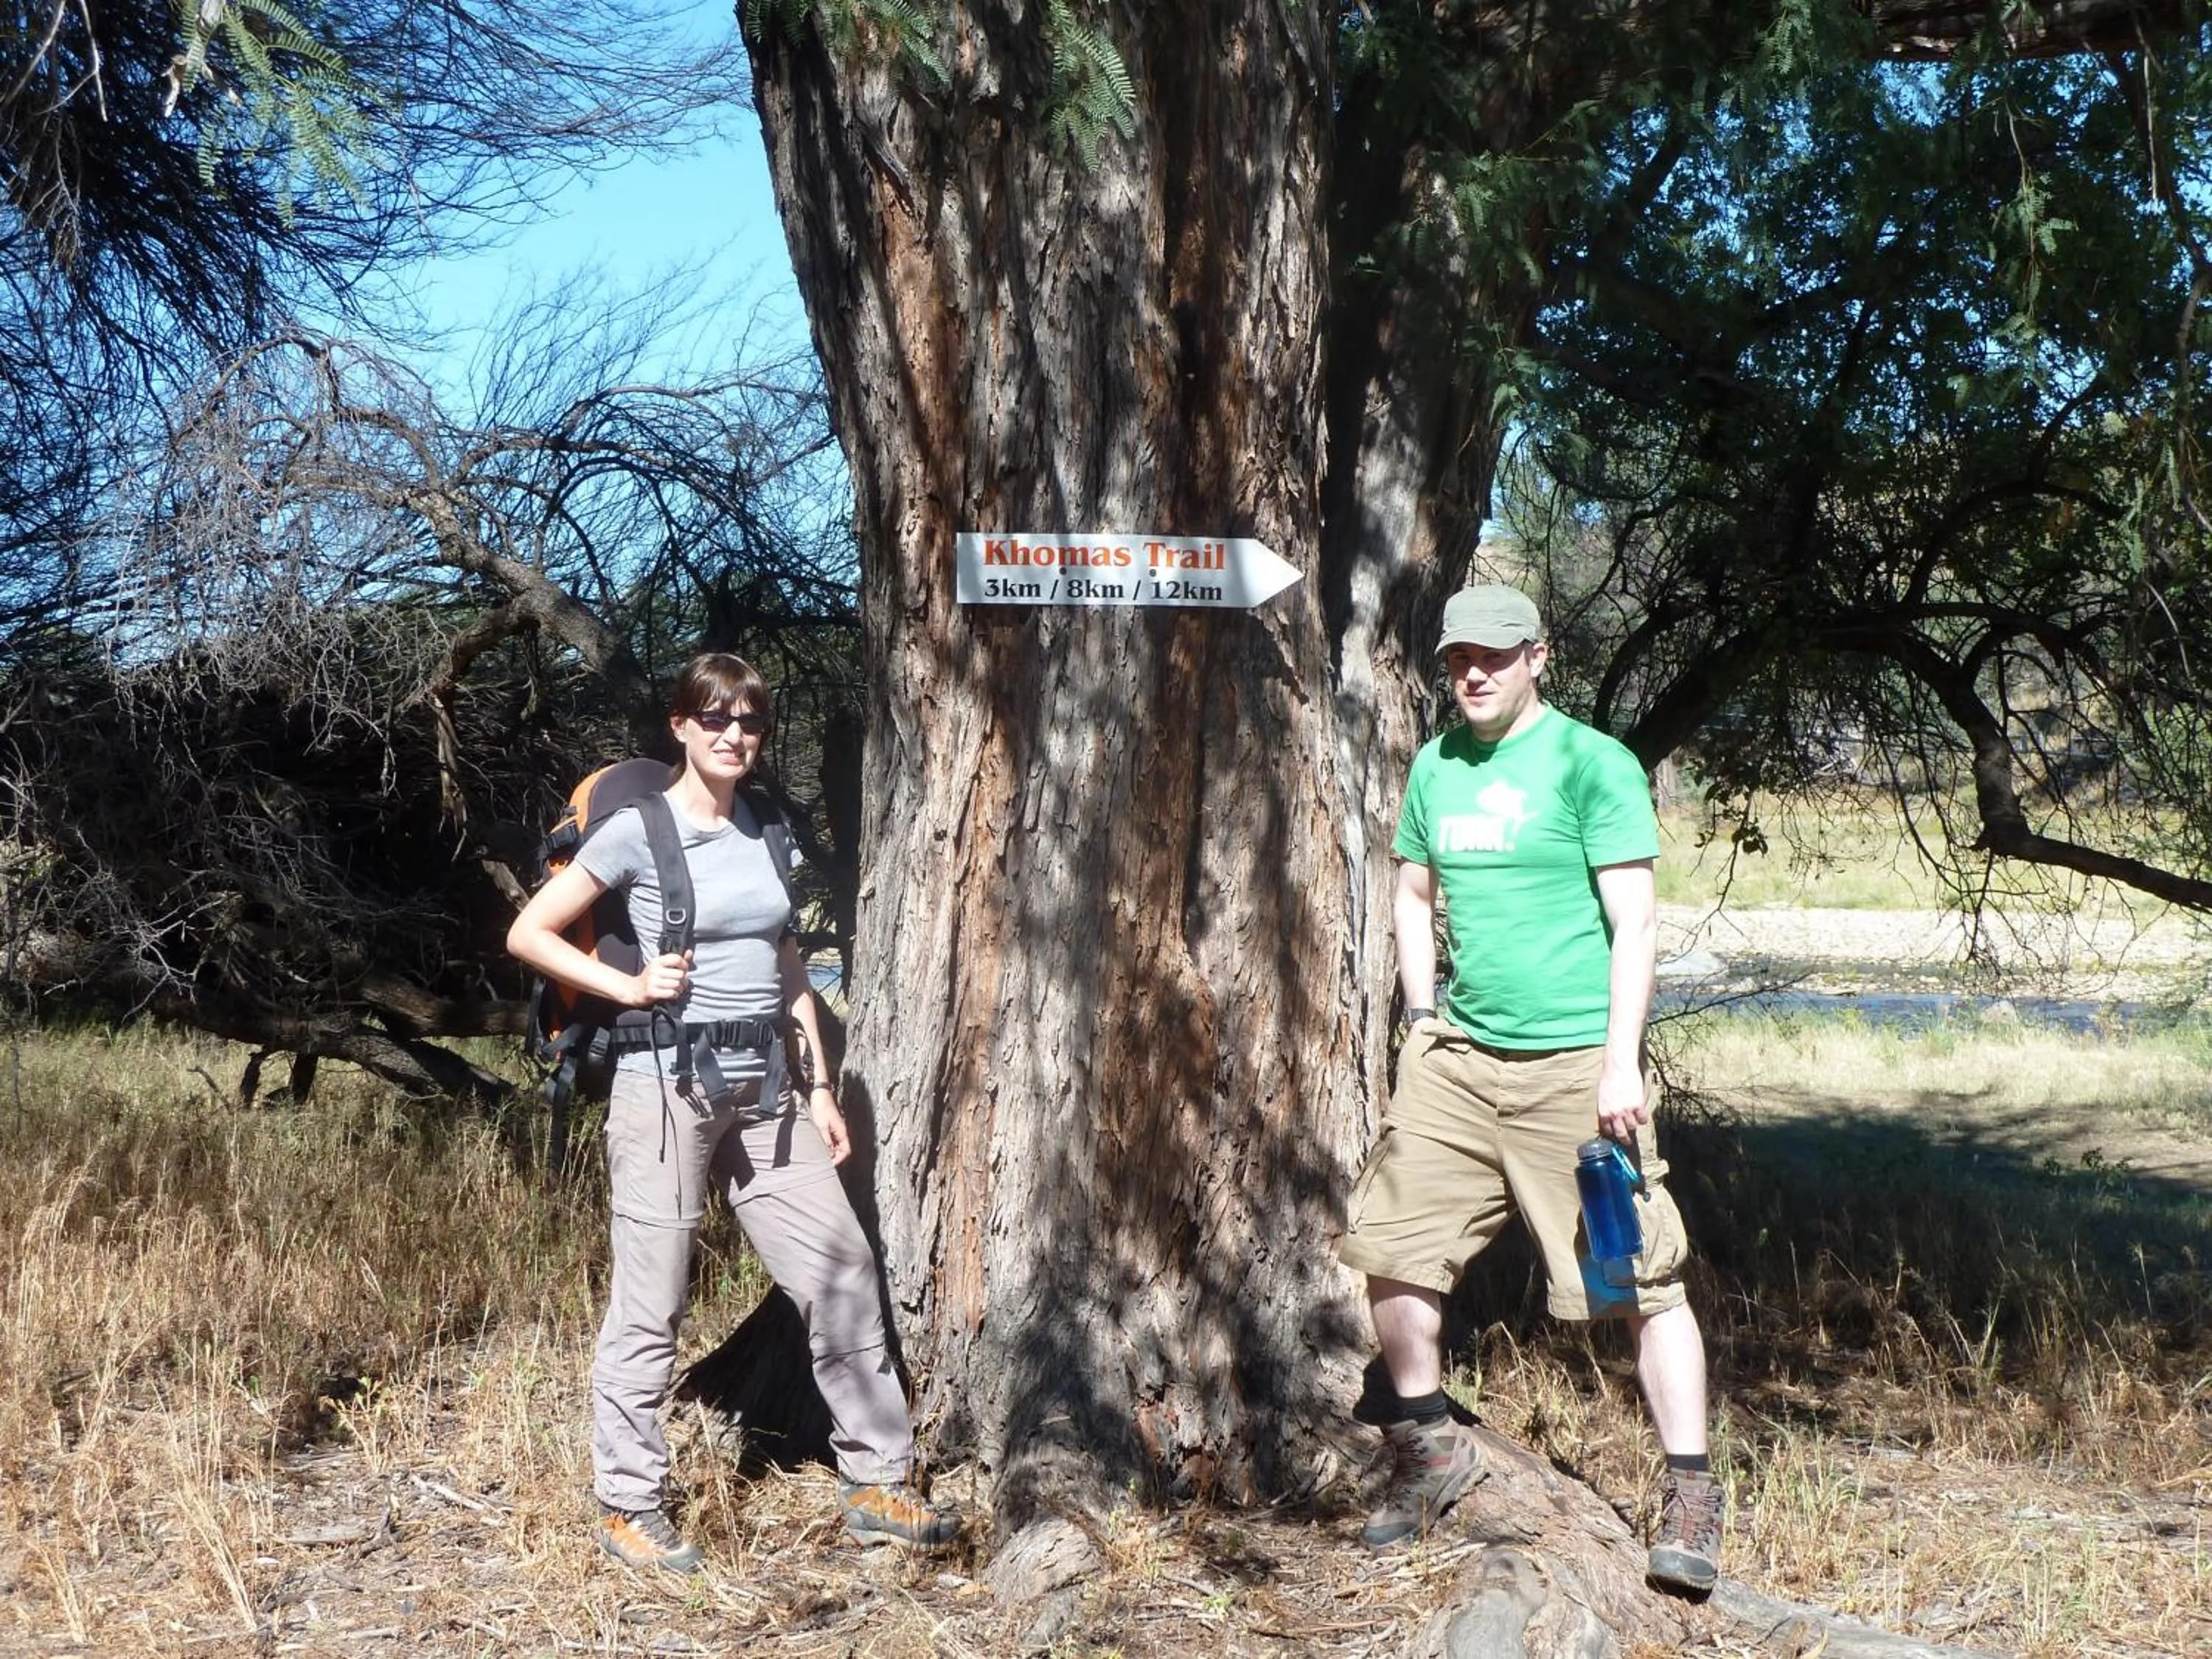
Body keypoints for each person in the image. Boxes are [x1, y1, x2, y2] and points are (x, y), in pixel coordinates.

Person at [507, 652, 954, 1573]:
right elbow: (528, 932)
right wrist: (628, 986)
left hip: (768, 1091)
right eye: (715, 719)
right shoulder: (639, 830)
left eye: (749, 721)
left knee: (840, 1271)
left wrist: (821, 1087)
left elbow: (789, 967)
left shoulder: (764, 828)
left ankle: (878, 1480)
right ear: (680, 726)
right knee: (652, 1302)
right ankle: (628, 1504)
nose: (733, 736)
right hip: (665, 1087)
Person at [1337, 585, 1722, 1591]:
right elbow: (1412, 894)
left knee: (1641, 1277)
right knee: (1392, 1251)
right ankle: (1428, 1448)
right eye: (1460, 654)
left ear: (1538, 657)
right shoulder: (1435, 766)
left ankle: (1689, 1493)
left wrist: (1618, 1060)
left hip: (1574, 1069)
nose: (1475, 671)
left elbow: (1634, 924)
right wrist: (1420, 1019)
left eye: (1496, 655)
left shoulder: (1593, 763)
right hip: (1457, 1062)